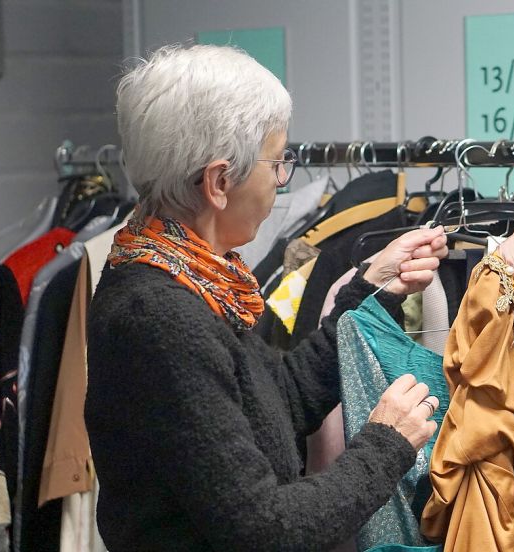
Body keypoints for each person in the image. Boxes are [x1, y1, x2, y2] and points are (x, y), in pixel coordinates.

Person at [84, 43, 448, 551]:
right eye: (277, 163)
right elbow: (265, 530)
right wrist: (385, 444)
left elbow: (276, 404)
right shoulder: (162, 315)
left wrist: (370, 290)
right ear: (219, 181)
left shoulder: (195, 278)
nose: (282, 180)